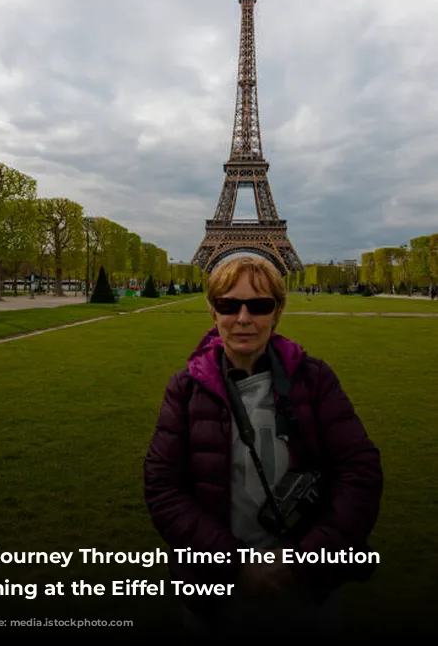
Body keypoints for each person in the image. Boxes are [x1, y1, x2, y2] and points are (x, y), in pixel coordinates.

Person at [144, 256, 383, 642]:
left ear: (277, 312)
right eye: (228, 304)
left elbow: (360, 473)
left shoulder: (316, 379)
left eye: (259, 305)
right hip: (219, 586)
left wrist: (300, 563)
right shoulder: (184, 389)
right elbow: (163, 488)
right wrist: (235, 566)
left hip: (304, 585)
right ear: (212, 310)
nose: (243, 318)